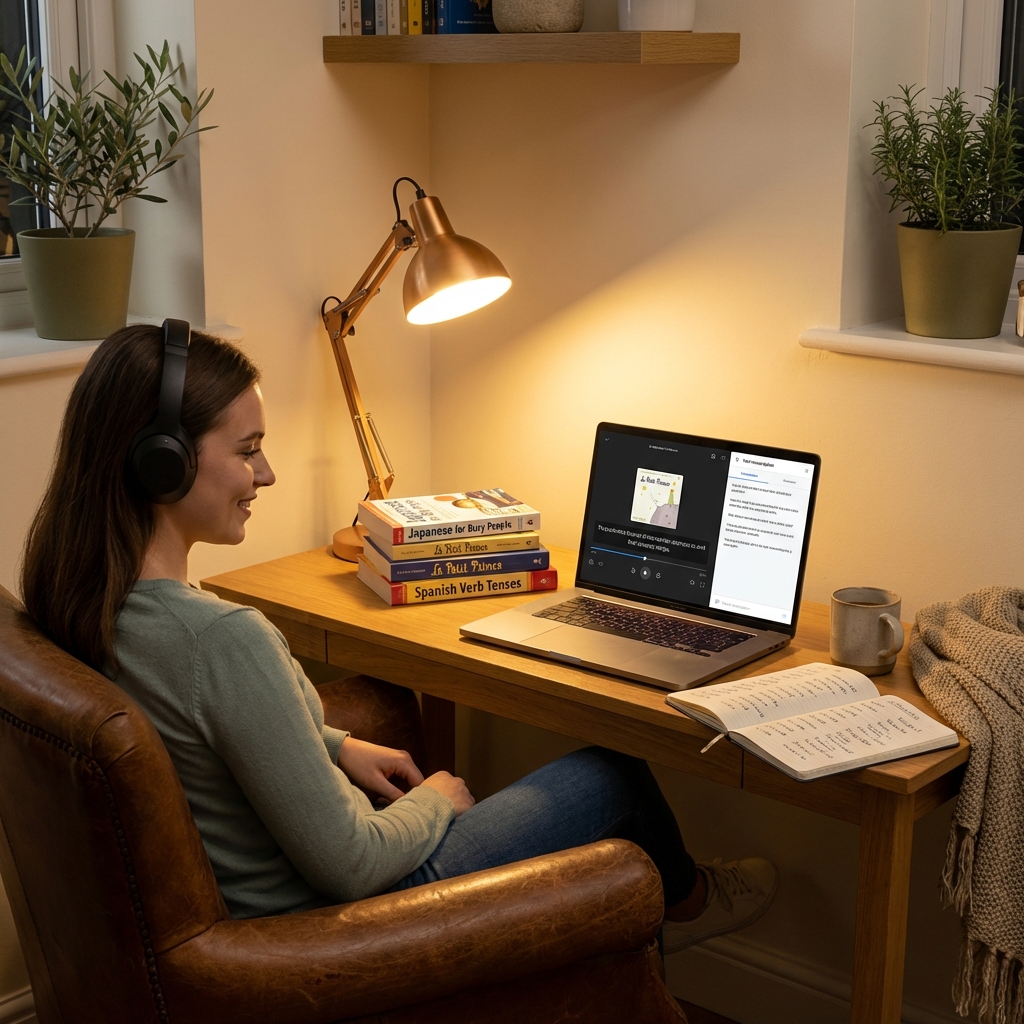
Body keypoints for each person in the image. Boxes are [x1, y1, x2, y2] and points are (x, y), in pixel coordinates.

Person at [20, 324, 778, 954]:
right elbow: (351, 864)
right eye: (247, 449)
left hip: (250, 903)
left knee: (389, 707)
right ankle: (690, 906)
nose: (269, 472)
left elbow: (207, 730)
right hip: (329, 925)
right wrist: (440, 803)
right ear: (163, 464)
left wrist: (332, 743)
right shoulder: (220, 639)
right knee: (615, 775)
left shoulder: (80, 598)